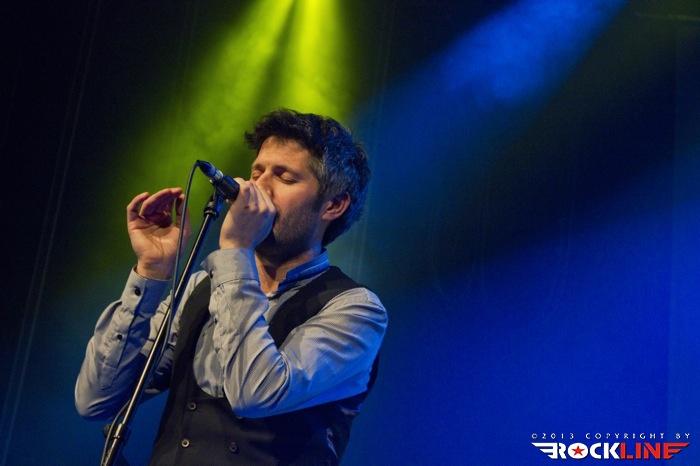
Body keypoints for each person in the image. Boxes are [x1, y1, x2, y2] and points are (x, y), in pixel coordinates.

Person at [75, 109, 388, 465]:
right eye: (257, 172)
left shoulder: (355, 310)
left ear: (333, 204)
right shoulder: (203, 288)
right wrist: (152, 270)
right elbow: (96, 400)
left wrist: (237, 251)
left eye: (284, 177)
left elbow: (254, 393)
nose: (257, 188)